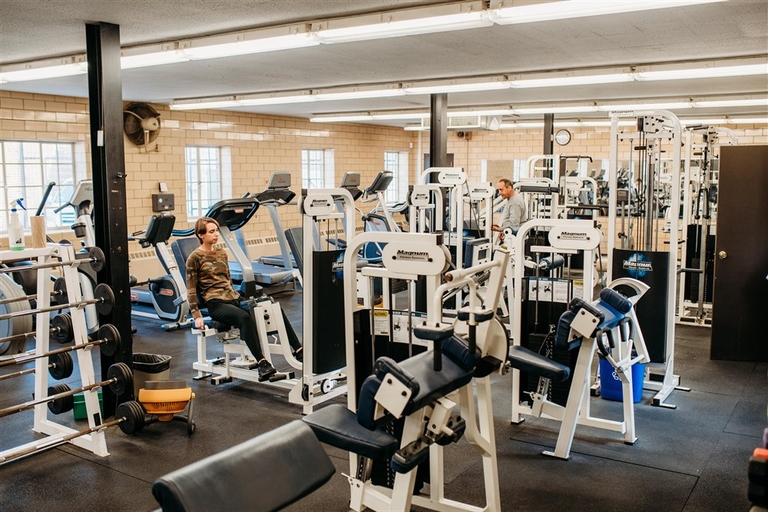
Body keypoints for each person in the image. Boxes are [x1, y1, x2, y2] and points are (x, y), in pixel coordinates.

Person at [185, 217, 302, 382]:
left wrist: (239, 296)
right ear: (201, 235)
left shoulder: (221, 253)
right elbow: (190, 288)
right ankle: (262, 363)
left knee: (271, 308)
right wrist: (196, 315)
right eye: (211, 232)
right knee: (244, 317)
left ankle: (298, 349)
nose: (216, 234)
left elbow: (227, 280)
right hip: (216, 303)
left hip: (233, 298)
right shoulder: (194, 258)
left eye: (216, 230)